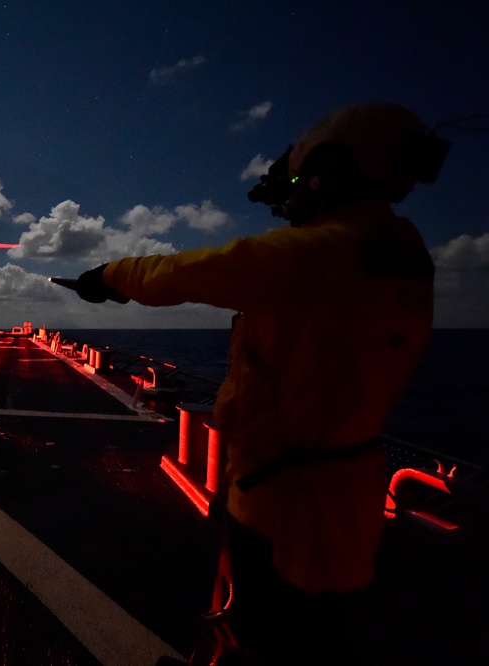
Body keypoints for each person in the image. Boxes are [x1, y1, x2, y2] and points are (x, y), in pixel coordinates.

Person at [72, 102, 450, 665]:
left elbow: (183, 271)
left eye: (301, 179)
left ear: (331, 171)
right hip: (344, 493)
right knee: (313, 630)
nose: (292, 195)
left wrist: (106, 277)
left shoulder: (316, 255)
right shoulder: (404, 254)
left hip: (286, 501)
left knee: (275, 636)